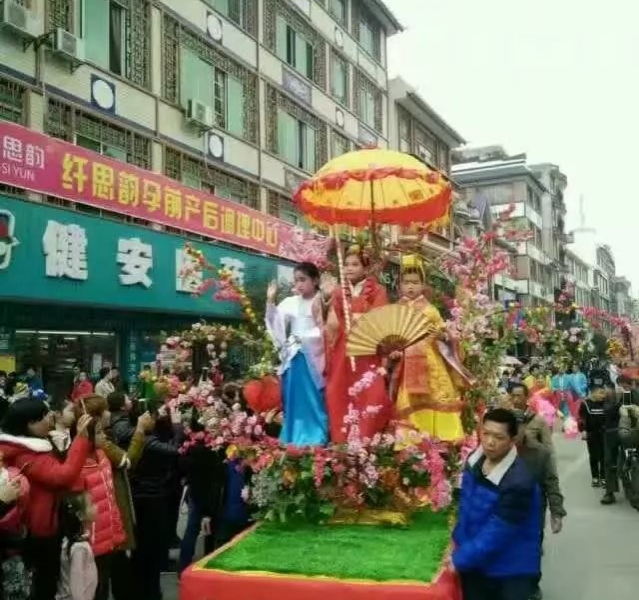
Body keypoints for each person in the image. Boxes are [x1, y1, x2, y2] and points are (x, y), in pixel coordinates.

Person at [0, 399, 92, 600]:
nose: (50, 417)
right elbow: (62, 476)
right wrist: (82, 439)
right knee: (43, 584)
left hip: (40, 527)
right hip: (38, 533)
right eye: (43, 416)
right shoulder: (25, 454)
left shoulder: (30, 446)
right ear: (29, 424)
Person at [452, 408, 542, 600]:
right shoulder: (474, 461)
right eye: (486, 434)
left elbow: (498, 532)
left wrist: (459, 559)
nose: (490, 442)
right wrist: (458, 542)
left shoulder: (519, 481)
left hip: (508, 571)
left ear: (512, 440)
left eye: (499, 437)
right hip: (476, 563)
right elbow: (466, 509)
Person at [390, 254, 472, 442]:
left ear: (423, 285)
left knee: (438, 397)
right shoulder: (396, 309)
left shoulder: (431, 310)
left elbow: (446, 335)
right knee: (408, 402)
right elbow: (392, 338)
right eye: (406, 282)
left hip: (430, 363)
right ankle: (411, 443)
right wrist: (394, 350)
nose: (411, 286)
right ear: (400, 285)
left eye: (415, 282)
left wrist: (442, 336)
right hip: (406, 363)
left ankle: (441, 440)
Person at [111, 402, 183, 600]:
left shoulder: (128, 433)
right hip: (150, 498)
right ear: (144, 418)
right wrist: (177, 426)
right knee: (150, 550)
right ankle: (149, 592)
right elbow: (174, 449)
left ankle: (142, 588)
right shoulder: (147, 441)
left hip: (140, 497)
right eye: (153, 416)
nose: (156, 419)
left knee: (142, 550)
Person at [324, 244, 390, 443]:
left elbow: (380, 318)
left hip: (367, 348)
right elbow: (334, 324)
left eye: (355, 264)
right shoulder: (338, 293)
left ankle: (368, 439)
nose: (349, 268)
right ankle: (342, 440)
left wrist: (359, 318)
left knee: (372, 393)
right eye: (346, 264)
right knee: (340, 392)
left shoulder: (378, 291)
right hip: (344, 350)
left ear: (366, 267)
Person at [265, 262, 328, 446]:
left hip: (315, 356)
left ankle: (316, 437)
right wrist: (270, 300)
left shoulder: (324, 301)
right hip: (293, 357)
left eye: (303, 279)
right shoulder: (290, 302)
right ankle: (292, 436)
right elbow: (275, 324)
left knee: (314, 399)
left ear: (315, 280)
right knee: (292, 399)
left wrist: (306, 339)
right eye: (296, 280)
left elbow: (328, 330)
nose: (299, 284)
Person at [71, 395, 126, 600]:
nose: (104, 436)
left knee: (103, 587)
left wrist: (117, 532)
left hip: (108, 538)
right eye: (100, 432)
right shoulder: (78, 464)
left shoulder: (102, 457)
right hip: (90, 542)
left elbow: (111, 500)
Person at [512, 409, 566, 600]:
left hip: (533, 512)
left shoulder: (540, 454)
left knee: (532, 549)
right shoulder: (496, 452)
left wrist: (556, 512)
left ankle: (532, 586)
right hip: (504, 513)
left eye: (517, 427)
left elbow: (551, 482)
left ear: (524, 428)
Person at [56, 493, 98, 600]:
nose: (96, 507)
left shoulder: (70, 541)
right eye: (91, 504)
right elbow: (77, 590)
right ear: (80, 515)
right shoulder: (79, 548)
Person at [507, 384, 554, 452]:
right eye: (513, 396)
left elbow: (548, 449)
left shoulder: (538, 421)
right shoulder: (505, 418)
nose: (515, 399)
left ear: (527, 397)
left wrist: (531, 443)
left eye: (519, 396)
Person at [578, 383, 606, 487]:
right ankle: (595, 477)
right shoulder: (585, 403)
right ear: (593, 393)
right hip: (591, 433)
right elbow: (582, 419)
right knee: (593, 456)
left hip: (603, 433)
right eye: (601, 393)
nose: (603, 395)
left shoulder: (605, 403)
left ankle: (604, 477)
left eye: (604, 393)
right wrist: (583, 430)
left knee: (604, 456)